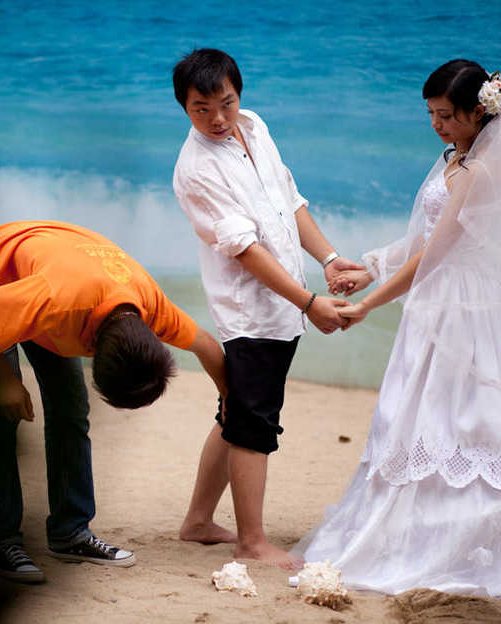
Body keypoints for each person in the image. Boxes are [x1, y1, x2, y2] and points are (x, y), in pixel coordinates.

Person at [293, 60, 501, 596]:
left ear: (477, 113)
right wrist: (368, 264)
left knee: (475, 419)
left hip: (471, 309)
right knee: (423, 417)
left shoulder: (481, 172)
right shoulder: (453, 159)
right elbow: (423, 237)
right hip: (440, 302)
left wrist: (372, 303)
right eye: (430, 114)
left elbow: (436, 255)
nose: (438, 125)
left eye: (447, 115)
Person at [0, 220, 227, 583]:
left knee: (71, 412)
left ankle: (70, 534)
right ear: (93, 349)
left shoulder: (151, 306)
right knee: (3, 417)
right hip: (2, 282)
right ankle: (0, 542)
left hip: (59, 276)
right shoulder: (59, 303)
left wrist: (231, 404)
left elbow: (206, 345)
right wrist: (4, 381)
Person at [171, 48, 362, 569]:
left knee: (235, 411)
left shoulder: (253, 126)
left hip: (285, 305)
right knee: (254, 423)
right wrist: (309, 302)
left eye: (226, 103)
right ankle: (251, 541)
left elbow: (289, 200)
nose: (217, 119)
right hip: (250, 311)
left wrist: (329, 258)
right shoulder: (195, 170)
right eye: (201, 109)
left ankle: (197, 521)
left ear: (240, 95)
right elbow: (246, 249)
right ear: (184, 108)